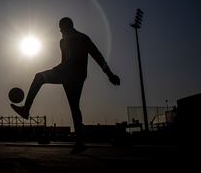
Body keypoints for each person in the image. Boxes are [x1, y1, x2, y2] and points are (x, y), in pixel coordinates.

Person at [11, 17, 120, 153]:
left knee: (39, 78)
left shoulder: (82, 38)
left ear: (68, 26)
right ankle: (79, 143)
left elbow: (97, 56)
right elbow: (64, 61)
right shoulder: (63, 42)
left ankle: (26, 109)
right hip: (69, 74)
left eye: (61, 28)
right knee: (74, 107)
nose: (60, 31)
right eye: (60, 28)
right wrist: (56, 69)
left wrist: (110, 74)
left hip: (74, 75)